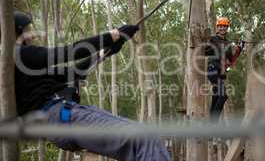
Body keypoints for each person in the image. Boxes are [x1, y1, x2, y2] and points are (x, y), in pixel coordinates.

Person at [12, 10, 171, 161]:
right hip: (59, 117)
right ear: (17, 32)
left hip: (63, 115)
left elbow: (73, 71)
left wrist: (104, 53)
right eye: (27, 30)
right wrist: (113, 35)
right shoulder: (17, 53)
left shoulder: (25, 67)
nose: (31, 35)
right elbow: (69, 52)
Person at [205, 17, 245, 121]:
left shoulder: (227, 43)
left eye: (224, 26)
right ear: (217, 27)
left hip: (220, 73)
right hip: (213, 70)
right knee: (223, 96)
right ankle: (213, 123)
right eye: (220, 26)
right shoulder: (213, 39)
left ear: (227, 28)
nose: (222, 28)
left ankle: (211, 123)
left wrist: (239, 48)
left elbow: (231, 60)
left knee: (216, 96)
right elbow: (205, 51)